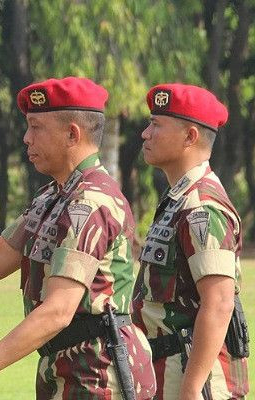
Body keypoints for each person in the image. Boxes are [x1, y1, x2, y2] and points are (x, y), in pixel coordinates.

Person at [0, 77, 156, 399]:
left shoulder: (90, 203)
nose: (26, 138)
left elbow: (58, 310)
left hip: (98, 376)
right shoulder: (52, 198)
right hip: (66, 370)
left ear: (72, 134)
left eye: (36, 127)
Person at [132, 83, 248, 399]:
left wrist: (191, 388)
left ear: (190, 136)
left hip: (195, 381)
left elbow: (220, 302)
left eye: (156, 125)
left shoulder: (202, 207)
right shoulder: (179, 200)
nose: (145, 133)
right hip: (165, 372)